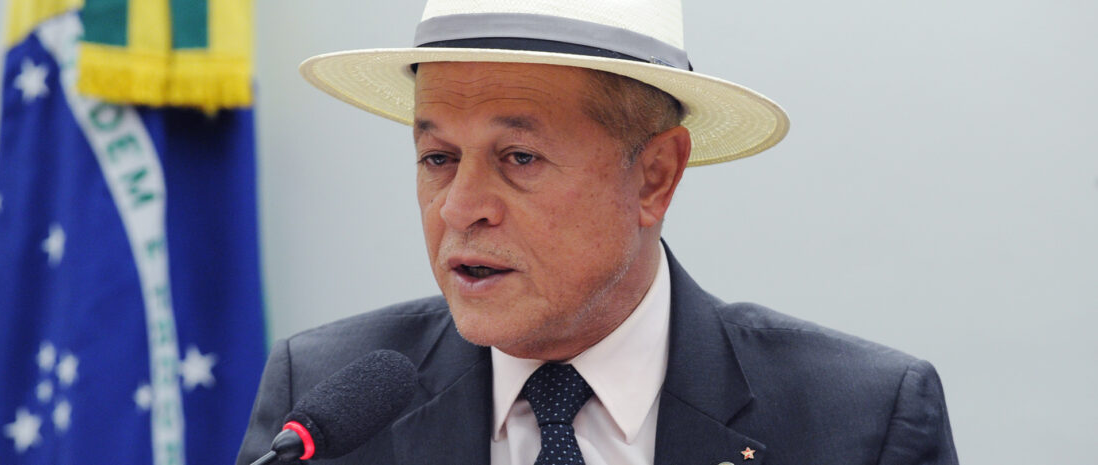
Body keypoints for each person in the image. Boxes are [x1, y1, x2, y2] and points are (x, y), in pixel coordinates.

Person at [237, 0, 958, 464]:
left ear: (654, 177)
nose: (460, 208)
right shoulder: (322, 409)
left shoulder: (862, 422)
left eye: (519, 158)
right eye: (438, 158)